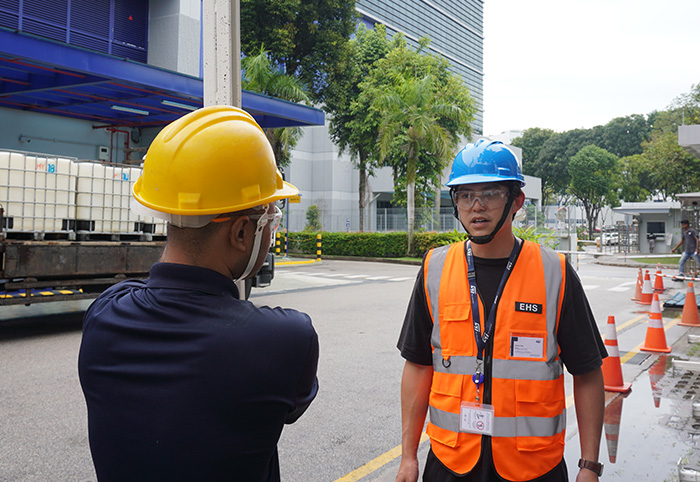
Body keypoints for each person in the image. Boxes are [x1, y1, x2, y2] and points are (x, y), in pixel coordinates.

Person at [78, 106, 319, 482]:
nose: (271, 235)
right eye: (270, 219)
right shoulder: (286, 337)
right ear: (241, 233)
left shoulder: (103, 315)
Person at [395, 140, 607, 482]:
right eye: (465, 195)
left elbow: (586, 372)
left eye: (490, 193)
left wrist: (589, 465)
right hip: (450, 463)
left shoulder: (554, 272)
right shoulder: (435, 269)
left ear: (516, 201)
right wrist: (408, 456)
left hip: (534, 468)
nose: (476, 206)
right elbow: (418, 366)